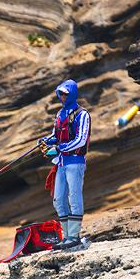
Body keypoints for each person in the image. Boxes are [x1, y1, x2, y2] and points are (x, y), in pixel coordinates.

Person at [40, 79, 91, 250]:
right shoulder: (60, 114)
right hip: (61, 163)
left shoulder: (82, 114)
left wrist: (59, 148)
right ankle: (66, 236)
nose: (62, 96)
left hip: (75, 162)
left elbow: (81, 139)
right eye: (60, 93)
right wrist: (47, 141)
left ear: (73, 94)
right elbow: (55, 135)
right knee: (58, 199)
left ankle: (74, 236)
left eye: (65, 93)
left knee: (74, 197)